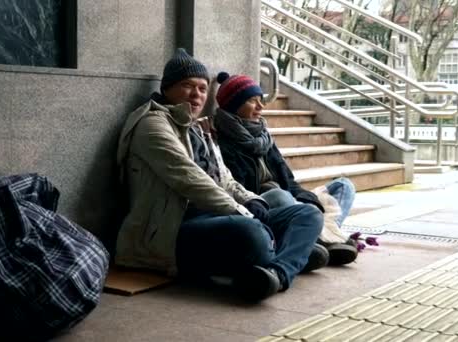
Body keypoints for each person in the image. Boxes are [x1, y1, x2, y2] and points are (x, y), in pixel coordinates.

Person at [115, 48, 326, 301]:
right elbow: (191, 179)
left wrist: (251, 199)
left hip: (218, 216)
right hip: (173, 230)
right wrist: (242, 211)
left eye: (203, 88)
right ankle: (291, 256)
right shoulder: (152, 124)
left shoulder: (195, 127)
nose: (197, 95)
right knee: (251, 233)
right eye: (187, 86)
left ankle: (277, 271)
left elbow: (223, 177)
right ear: (167, 88)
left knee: (308, 213)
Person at [213, 72, 358, 266]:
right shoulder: (223, 142)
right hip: (263, 205)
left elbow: (289, 180)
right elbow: (239, 191)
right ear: (234, 106)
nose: (261, 107)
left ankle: (319, 239)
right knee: (279, 194)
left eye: (261, 100)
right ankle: (324, 239)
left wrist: (307, 198)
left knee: (343, 185)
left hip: (288, 198)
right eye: (252, 101)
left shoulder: (263, 136)